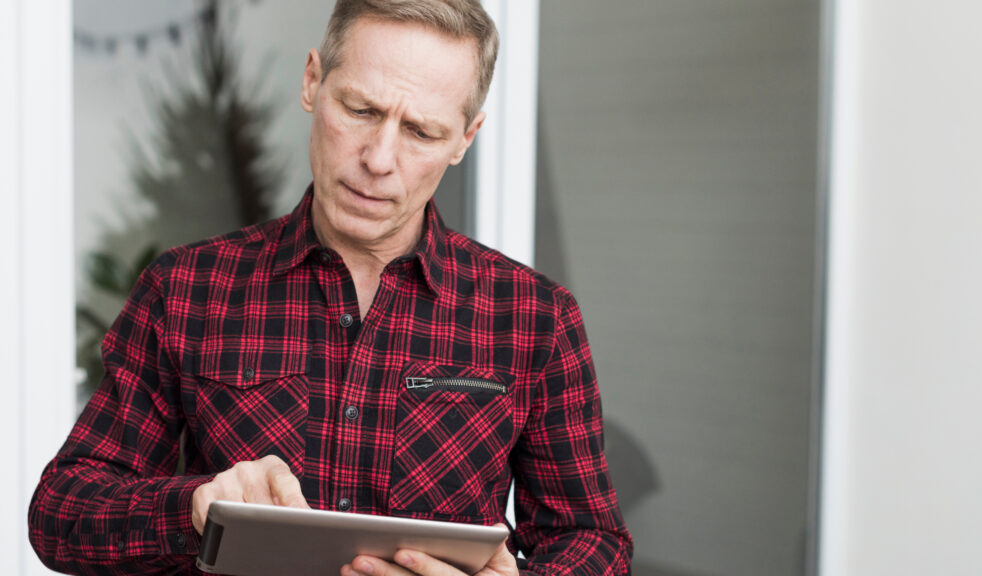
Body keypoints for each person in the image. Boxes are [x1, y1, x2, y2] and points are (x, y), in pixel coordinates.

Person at [29, 1, 633, 574]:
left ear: (465, 138)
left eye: (421, 131)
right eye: (362, 110)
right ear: (313, 81)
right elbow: (60, 512)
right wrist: (194, 508)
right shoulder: (186, 289)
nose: (378, 158)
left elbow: (593, 540)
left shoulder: (534, 317)